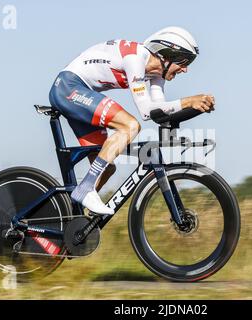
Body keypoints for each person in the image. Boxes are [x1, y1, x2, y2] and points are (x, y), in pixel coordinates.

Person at [49, 26, 215, 215]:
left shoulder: (156, 74)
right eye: (184, 62)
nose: (185, 69)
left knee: (107, 167)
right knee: (129, 126)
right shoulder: (135, 59)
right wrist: (188, 100)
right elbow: (146, 111)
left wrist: (193, 108)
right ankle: (85, 189)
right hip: (68, 88)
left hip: (82, 94)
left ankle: (71, 220)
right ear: (166, 55)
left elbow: (159, 111)